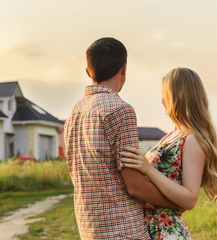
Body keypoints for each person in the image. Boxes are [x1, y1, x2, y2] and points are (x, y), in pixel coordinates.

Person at [64, 37, 181, 240]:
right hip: (123, 230)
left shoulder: (73, 114)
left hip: (89, 230)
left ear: (88, 72)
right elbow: (134, 185)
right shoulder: (120, 110)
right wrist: (175, 202)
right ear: (124, 70)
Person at [120, 68, 217, 239]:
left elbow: (190, 198)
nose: (161, 100)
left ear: (176, 97)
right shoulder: (173, 135)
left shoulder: (192, 140)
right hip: (151, 227)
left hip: (165, 230)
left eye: (164, 94)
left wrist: (148, 170)